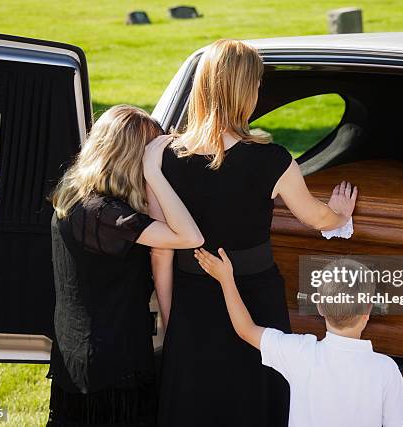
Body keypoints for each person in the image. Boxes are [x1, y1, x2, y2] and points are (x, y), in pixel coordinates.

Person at [153, 39, 357, 427]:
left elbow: (160, 252)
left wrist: (170, 317)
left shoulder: (166, 157)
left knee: (197, 404)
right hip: (256, 296)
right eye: (257, 84)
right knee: (255, 399)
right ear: (245, 91)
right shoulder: (273, 159)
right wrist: (339, 214)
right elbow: (315, 218)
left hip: (190, 299)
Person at [46, 105, 203, 426]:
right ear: (132, 157)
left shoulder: (79, 197)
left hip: (80, 355)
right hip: (112, 366)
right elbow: (189, 236)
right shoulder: (105, 215)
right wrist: (155, 174)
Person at [195, 250, 403, 427]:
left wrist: (226, 280)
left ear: (319, 306)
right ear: (368, 311)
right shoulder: (385, 369)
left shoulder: (301, 352)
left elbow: (245, 330)